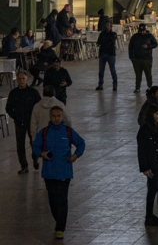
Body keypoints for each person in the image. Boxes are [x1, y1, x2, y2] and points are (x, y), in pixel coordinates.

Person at [32, 106, 85, 239]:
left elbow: (81, 143)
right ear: (50, 117)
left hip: (64, 173)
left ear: (62, 117)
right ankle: (58, 220)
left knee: (62, 200)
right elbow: (35, 147)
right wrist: (41, 154)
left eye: (59, 116)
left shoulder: (68, 132)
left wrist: (75, 155)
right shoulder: (44, 133)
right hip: (49, 173)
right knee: (53, 200)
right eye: (54, 116)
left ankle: (60, 227)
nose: (56, 119)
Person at [137, 103, 158, 226]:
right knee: (151, 190)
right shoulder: (145, 130)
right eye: (156, 114)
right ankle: (148, 216)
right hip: (151, 166)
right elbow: (142, 151)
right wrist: (144, 168)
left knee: (156, 189)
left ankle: (152, 215)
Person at [6, 70, 41, 173]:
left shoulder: (33, 92)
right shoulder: (13, 93)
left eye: (23, 79)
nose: (21, 81)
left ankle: (35, 159)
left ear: (27, 80)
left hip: (31, 123)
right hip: (19, 123)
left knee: (33, 142)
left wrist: (36, 119)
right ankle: (24, 165)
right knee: (20, 145)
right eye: (19, 79)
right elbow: (8, 108)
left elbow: (39, 106)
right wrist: (16, 117)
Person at [129, 23, 158, 93]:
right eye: (141, 31)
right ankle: (137, 88)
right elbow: (130, 47)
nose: (142, 32)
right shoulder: (135, 37)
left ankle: (150, 87)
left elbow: (155, 44)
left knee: (148, 74)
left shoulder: (150, 36)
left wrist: (148, 46)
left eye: (143, 30)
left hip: (147, 59)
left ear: (146, 30)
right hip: (136, 59)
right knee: (138, 75)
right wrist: (131, 57)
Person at [95, 21, 118, 91]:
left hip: (111, 54)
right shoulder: (102, 34)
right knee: (101, 71)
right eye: (106, 25)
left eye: (108, 25)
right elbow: (98, 42)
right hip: (102, 54)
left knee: (112, 70)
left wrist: (105, 42)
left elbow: (112, 41)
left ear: (111, 26)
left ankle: (115, 84)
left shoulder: (113, 34)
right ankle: (100, 84)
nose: (107, 27)